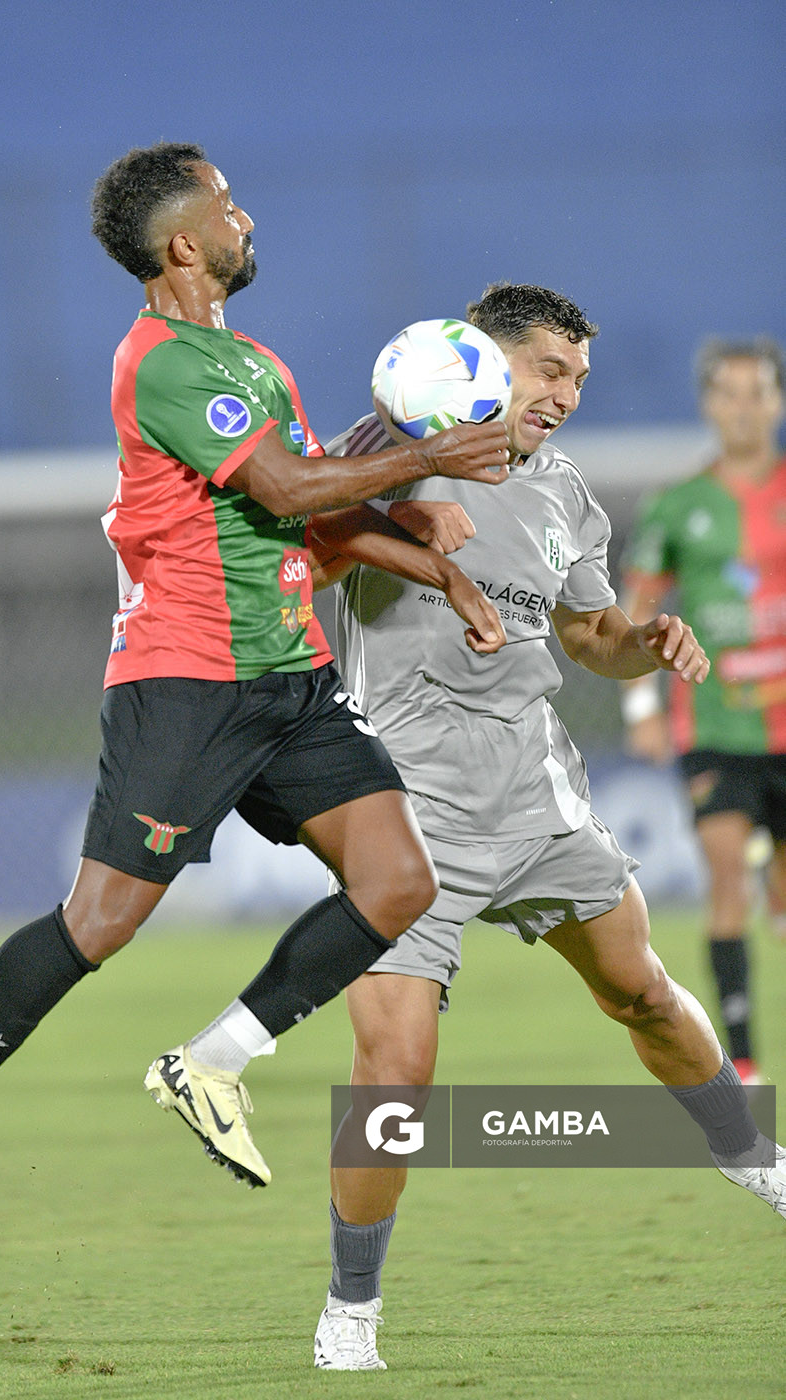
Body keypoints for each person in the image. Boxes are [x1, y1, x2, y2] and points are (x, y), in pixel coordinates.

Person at [0, 141, 517, 1249]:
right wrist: (440, 456)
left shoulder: (254, 361)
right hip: (185, 681)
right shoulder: (162, 362)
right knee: (102, 922)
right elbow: (288, 483)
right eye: (226, 205)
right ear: (184, 245)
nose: (245, 216)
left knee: (400, 879)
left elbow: (313, 516)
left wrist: (441, 563)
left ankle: (213, 1060)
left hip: (288, 676)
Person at [303, 285, 785, 1371]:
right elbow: (313, 559)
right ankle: (353, 1305)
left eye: (577, 378)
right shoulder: (388, 452)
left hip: (536, 791)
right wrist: (403, 505)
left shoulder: (568, 492)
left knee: (639, 988)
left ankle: (748, 1147)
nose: (565, 395)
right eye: (548, 371)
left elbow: (588, 636)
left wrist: (646, 640)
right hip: (406, 808)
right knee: (395, 1069)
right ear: (481, 362)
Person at [622, 338, 786, 1085]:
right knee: (725, 872)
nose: (743, 408)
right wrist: (639, 704)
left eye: (757, 393)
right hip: (714, 726)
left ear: (776, 402)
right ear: (707, 404)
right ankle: (743, 1059)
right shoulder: (676, 504)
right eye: (729, 393)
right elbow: (638, 609)